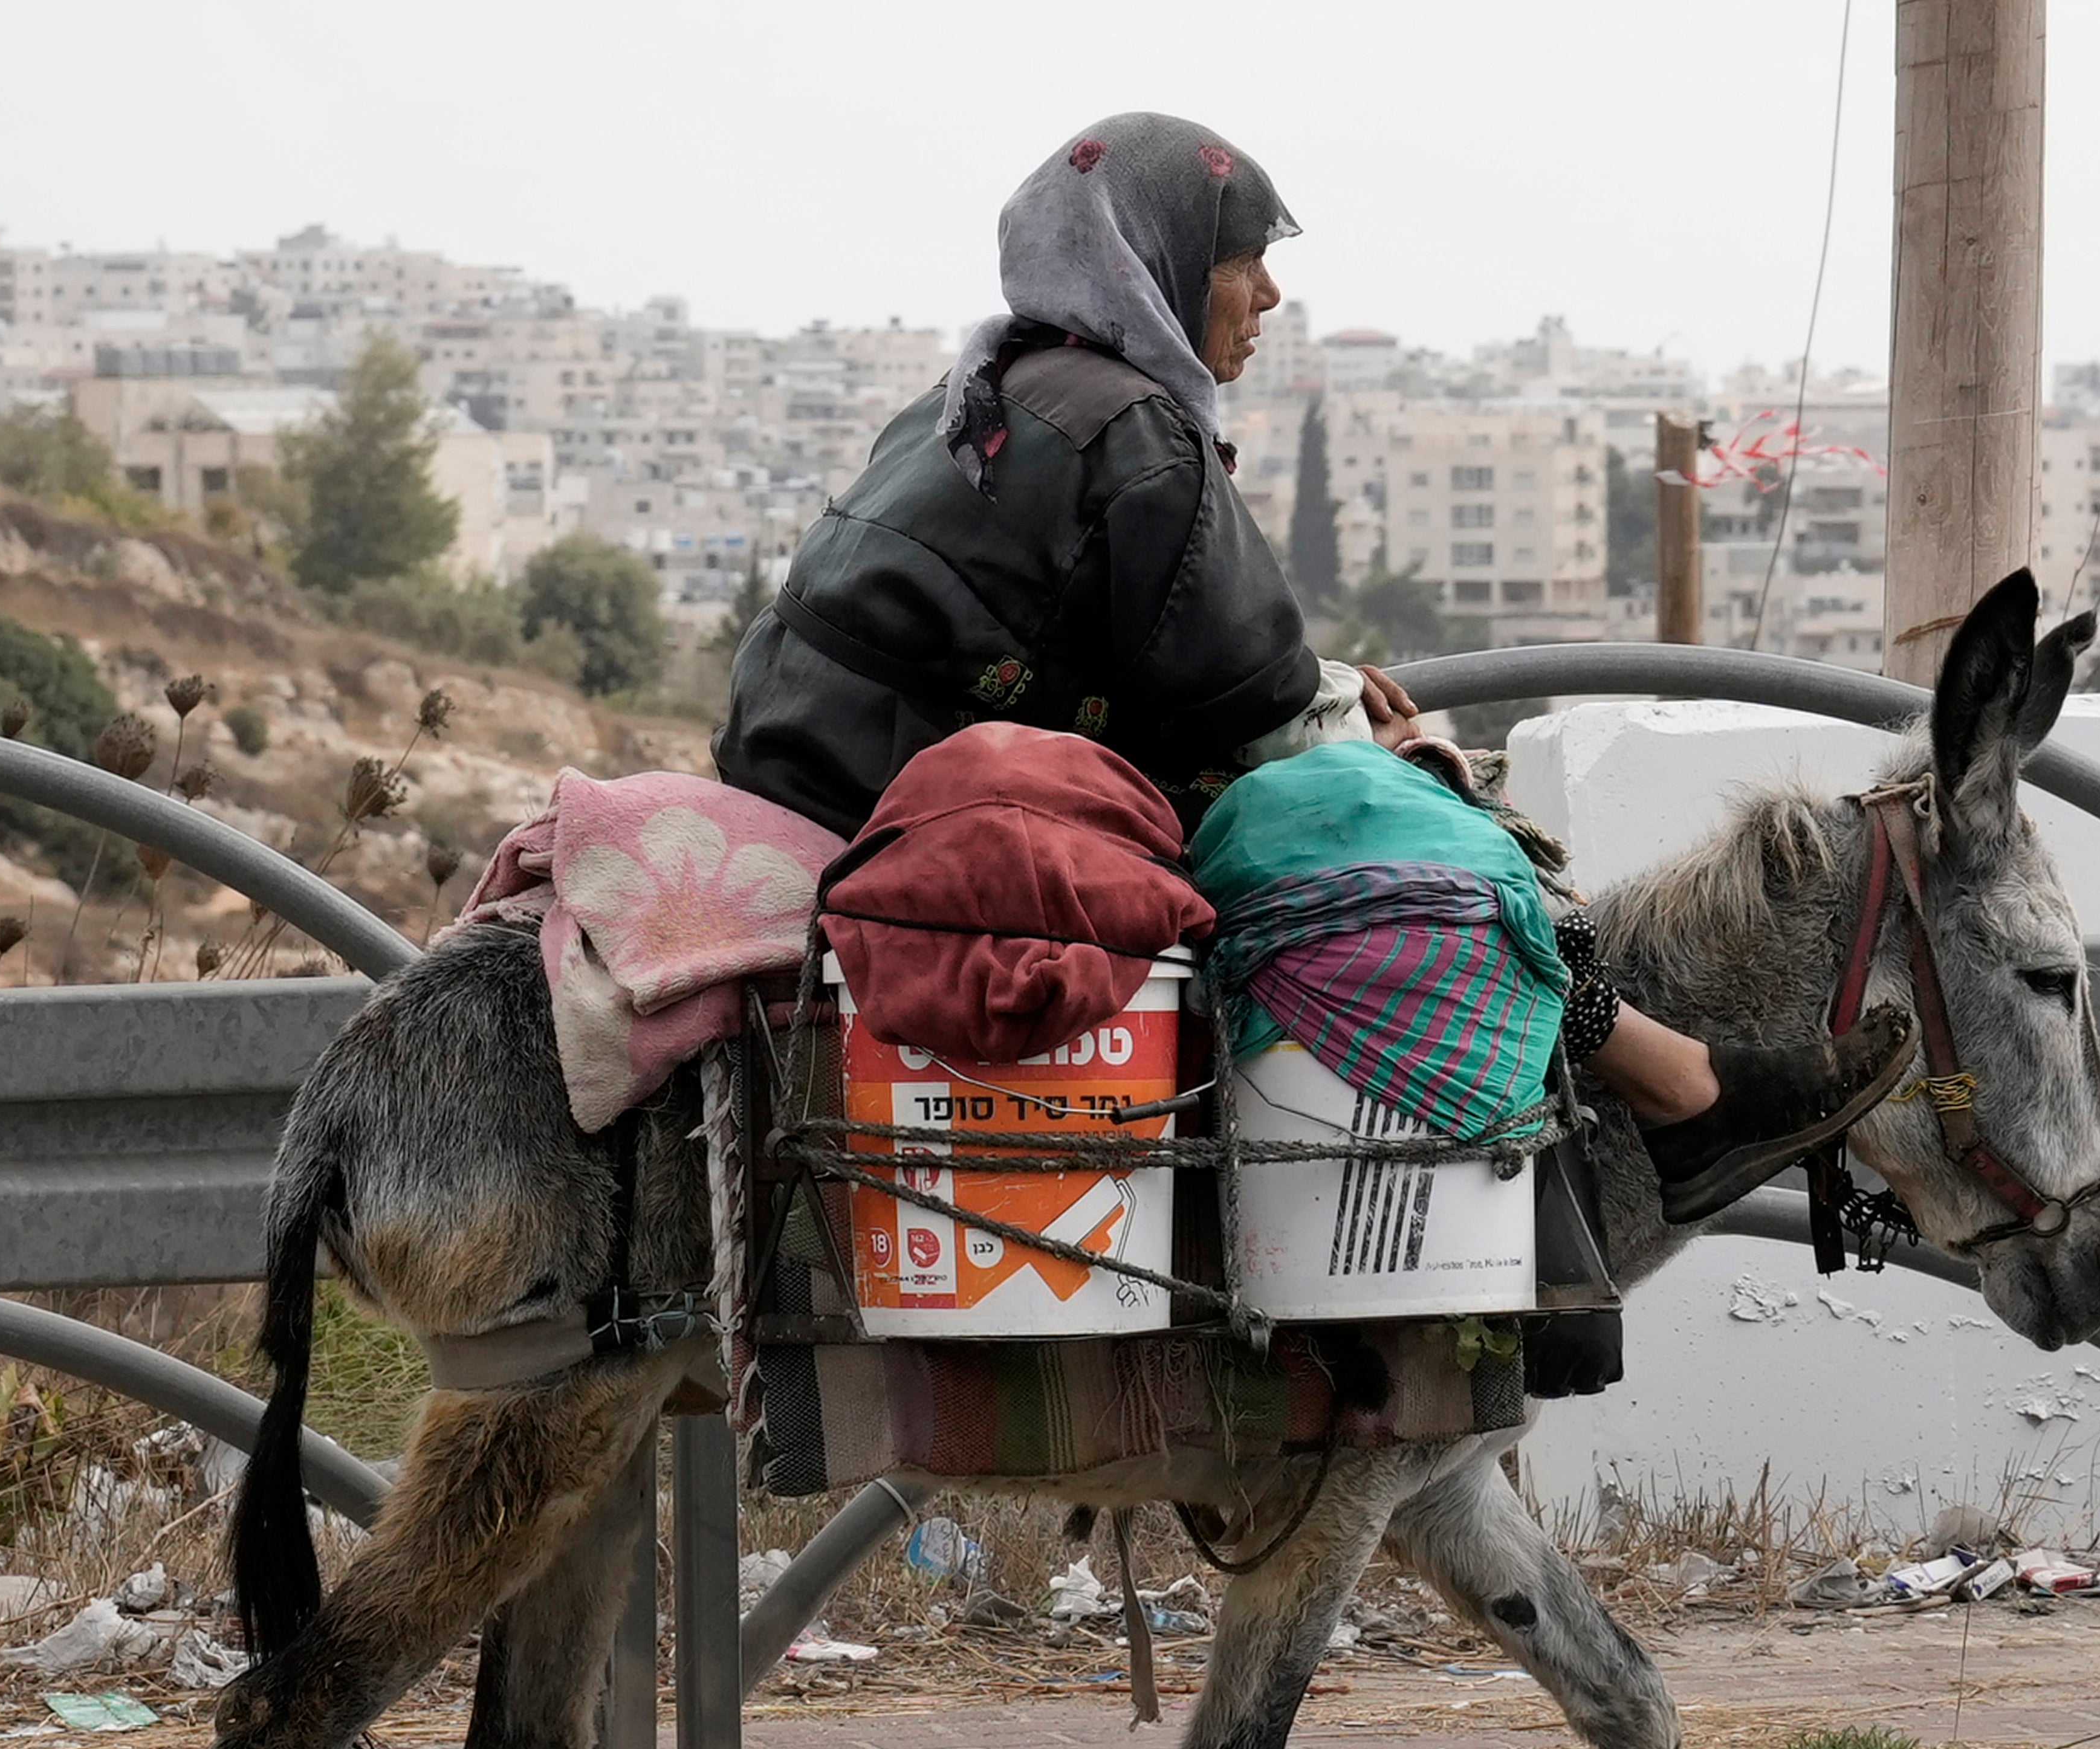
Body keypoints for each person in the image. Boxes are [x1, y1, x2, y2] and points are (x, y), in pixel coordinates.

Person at [714, 112, 1910, 1224]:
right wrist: (1366, 745)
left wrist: (1315, 693)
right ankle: (1681, 1100)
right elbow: (1258, 698)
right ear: (1159, 265)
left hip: (815, 762)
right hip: (907, 799)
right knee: (1430, 843)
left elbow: (1131, 641)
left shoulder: (977, 393)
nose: (1269, 295)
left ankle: (1677, 1090)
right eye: (1242, 263)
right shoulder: (1138, 431)